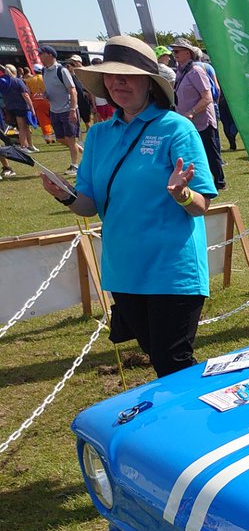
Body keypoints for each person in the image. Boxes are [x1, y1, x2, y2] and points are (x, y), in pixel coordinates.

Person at [38, 36, 216, 378]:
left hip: (171, 269)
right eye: (112, 75)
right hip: (124, 269)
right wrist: (64, 195)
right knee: (156, 356)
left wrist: (181, 194)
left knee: (173, 361)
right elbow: (89, 206)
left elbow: (200, 205)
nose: (119, 81)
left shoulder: (176, 128)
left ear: (149, 82)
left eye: (129, 75)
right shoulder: (99, 135)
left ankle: (193, 428)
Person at [171, 40, 225, 188]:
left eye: (176, 51)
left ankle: (220, 182)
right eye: (173, 51)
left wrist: (191, 112)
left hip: (202, 121)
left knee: (210, 152)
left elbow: (207, 97)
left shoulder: (196, 70)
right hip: (188, 121)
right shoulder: (181, 71)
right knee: (195, 153)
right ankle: (202, 181)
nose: (173, 54)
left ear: (187, 53)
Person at [38, 46, 83, 174]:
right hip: (54, 109)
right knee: (59, 138)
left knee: (70, 138)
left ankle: (74, 165)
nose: (39, 56)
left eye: (41, 54)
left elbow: (72, 90)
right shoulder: (44, 71)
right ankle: (83, 152)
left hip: (67, 109)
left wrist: (73, 110)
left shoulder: (61, 70)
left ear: (50, 55)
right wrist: (46, 95)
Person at [0, 64, 34, 151]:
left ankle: (29, 145)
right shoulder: (17, 81)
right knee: (23, 127)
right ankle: (24, 146)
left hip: (10, 107)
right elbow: (25, 95)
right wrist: (32, 107)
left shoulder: (4, 82)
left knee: (24, 127)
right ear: (15, 71)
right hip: (21, 107)